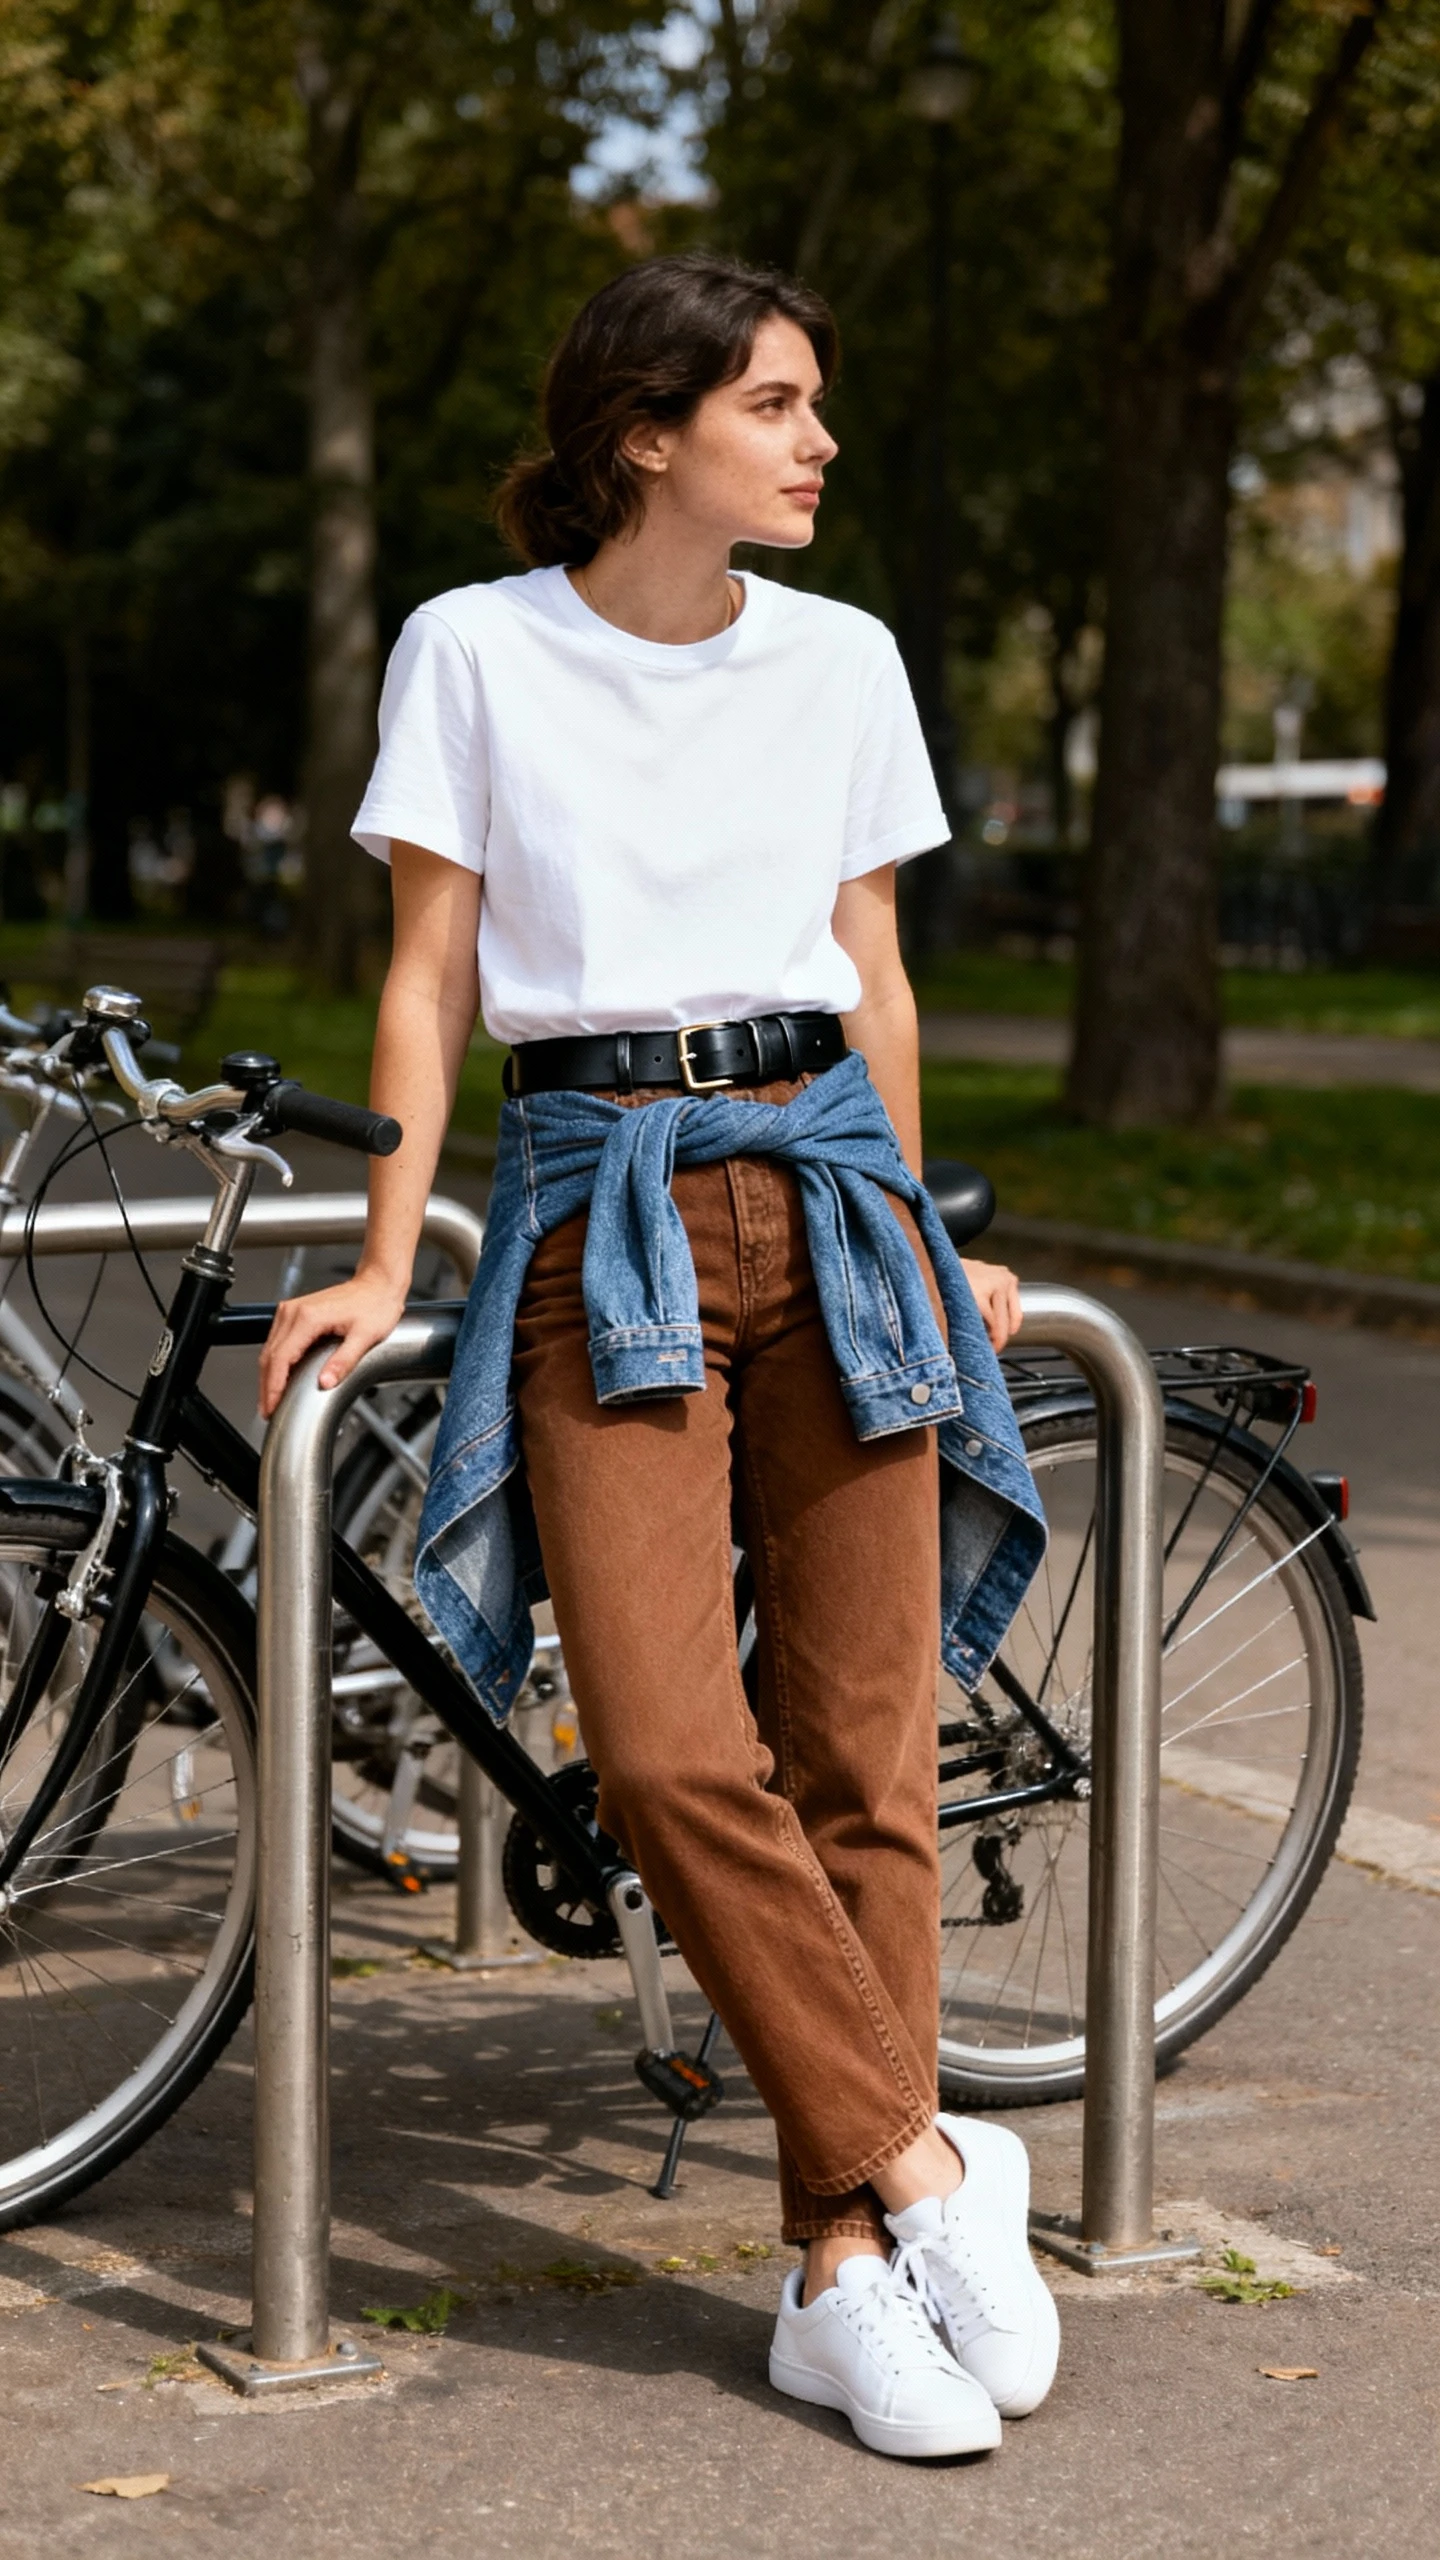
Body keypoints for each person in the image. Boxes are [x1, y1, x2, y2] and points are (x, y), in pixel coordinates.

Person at [260, 251, 1058, 2462]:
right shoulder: (475, 646)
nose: (816, 443)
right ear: (647, 432)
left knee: (867, 1750)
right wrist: (379, 1247)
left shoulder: (848, 659)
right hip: (598, 1182)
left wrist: (919, 1219)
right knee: (663, 1738)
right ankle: (927, 2155)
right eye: (777, 405)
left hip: (827, 1178)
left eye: (815, 404)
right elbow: (428, 977)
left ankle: (833, 2274)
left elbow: (874, 972)